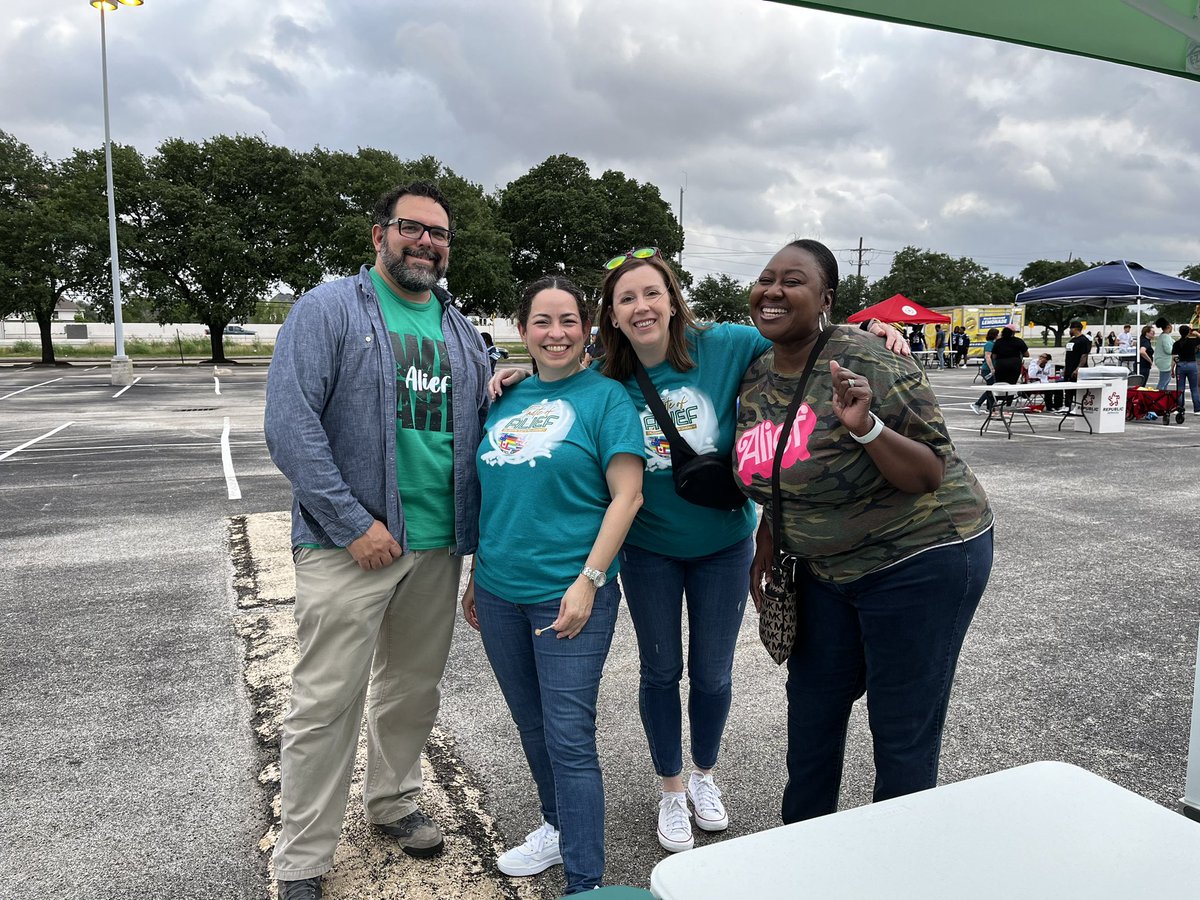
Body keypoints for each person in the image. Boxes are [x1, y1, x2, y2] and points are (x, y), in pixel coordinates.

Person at [491, 248, 907, 855]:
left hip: (723, 542)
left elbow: (800, 340)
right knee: (661, 670)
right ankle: (669, 787)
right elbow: (560, 383)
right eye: (626, 298)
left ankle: (705, 775)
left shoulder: (725, 346)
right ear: (611, 312)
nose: (641, 307)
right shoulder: (609, 375)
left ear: (672, 298)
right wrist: (518, 379)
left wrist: (868, 330)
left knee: (712, 673)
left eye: (652, 293)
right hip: (650, 549)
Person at [264, 182, 491, 900]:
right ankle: (301, 857)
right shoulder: (329, 310)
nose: (426, 242)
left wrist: (505, 382)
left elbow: (479, 425)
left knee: (411, 692)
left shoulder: (459, 329)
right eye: (411, 229)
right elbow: (290, 424)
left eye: (439, 234)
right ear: (379, 236)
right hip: (348, 547)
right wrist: (351, 524)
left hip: (436, 545)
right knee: (324, 702)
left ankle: (392, 803)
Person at [734, 238, 993, 825]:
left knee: (901, 731)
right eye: (766, 277)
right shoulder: (756, 374)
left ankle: (893, 865)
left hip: (921, 556)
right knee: (812, 714)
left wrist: (867, 426)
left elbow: (928, 471)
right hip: (824, 569)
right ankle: (800, 851)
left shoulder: (868, 360)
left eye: (792, 280)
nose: (773, 290)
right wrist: (768, 543)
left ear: (826, 298)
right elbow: (775, 470)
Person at [461, 275, 644, 895]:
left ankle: (585, 882)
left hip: (567, 591)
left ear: (587, 327)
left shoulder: (607, 399)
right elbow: (497, 494)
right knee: (532, 723)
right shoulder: (504, 398)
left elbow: (628, 496)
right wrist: (475, 575)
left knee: (569, 735)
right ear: (523, 330)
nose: (556, 333)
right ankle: (555, 825)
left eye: (568, 321)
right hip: (497, 586)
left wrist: (590, 581)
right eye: (542, 322)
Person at [969, 327, 1000, 416]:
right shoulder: (989, 344)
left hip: (990, 368)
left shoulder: (993, 343)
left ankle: (989, 407)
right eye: (997, 334)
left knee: (991, 388)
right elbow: (988, 357)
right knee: (991, 388)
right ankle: (978, 404)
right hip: (987, 369)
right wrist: (992, 368)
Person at [1062, 320, 1092, 412]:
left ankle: (1077, 406)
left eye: (1070, 329)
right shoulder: (1072, 340)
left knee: (1077, 390)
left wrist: (1078, 368)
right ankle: (1067, 405)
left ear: (1075, 329)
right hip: (1069, 368)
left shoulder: (1084, 340)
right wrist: (1065, 368)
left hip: (1077, 369)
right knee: (1068, 388)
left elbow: (1084, 355)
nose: (1069, 331)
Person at [1171, 324, 1200, 413]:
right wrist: (1196, 334)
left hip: (1180, 365)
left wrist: (1172, 368)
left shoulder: (1176, 343)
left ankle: (1180, 407)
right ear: (1188, 332)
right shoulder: (1192, 342)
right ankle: (1197, 408)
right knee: (1194, 387)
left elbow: (1174, 357)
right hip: (1192, 364)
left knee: (1180, 388)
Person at [1153, 319, 1175, 390]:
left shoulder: (1163, 336)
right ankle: (1157, 398)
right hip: (1165, 362)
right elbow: (1168, 350)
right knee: (1163, 382)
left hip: (1162, 361)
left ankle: (1162, 398)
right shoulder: (1165, 337)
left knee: (1165, 382)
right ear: (1168, 326)